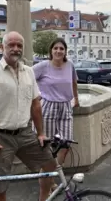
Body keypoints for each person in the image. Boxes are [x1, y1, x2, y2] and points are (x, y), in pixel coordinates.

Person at [0, 31, 57, 201]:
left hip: (24, 133)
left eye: (19, 46)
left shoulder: (29, 72)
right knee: (0, 186)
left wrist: (40, 133)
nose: (16, 49)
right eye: (11, 45)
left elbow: (36, 104)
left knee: (51, 165)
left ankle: (44, 199)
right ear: (2, 47)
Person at [32, 37, 79, 192]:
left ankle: (48, 175)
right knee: (48, 147)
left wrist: (76, 99)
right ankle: (47, 181)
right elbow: (28, 80)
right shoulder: (43, 66)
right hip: (48, 106)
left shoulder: (69, 65)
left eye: (61, 48)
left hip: (65, 106)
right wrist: (35, 96)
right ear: (51, 51)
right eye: (55, 48)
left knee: (65, 143)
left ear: (65, 51)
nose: (58, 51)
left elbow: (73, 82)